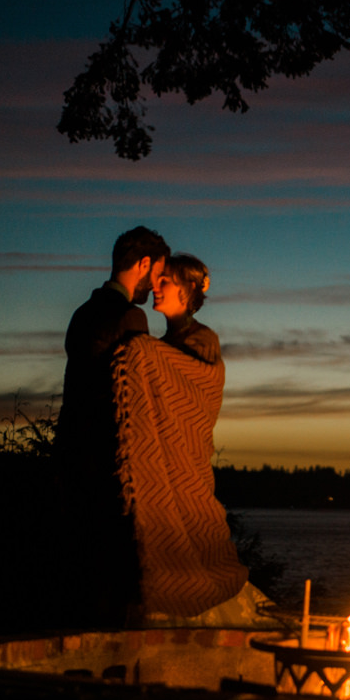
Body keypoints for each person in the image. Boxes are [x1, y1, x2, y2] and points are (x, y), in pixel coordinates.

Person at [112, 252, 265, 623]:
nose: (156, 287)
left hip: (187, 463)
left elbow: (197, 390)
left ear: (189, 289)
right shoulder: (164, 341)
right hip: (164, 455)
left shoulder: (201, 339)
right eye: (158, 280)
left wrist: (142, 352)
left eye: (166, 282)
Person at [53, 225, 171, 626]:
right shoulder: (131, 317)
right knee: (112, 581)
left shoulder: (82, 313)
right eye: (158, 274)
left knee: (77, 572)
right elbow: (136, 399)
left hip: (70, 456)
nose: (157, 285)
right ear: (142, 264)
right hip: (109, 464)